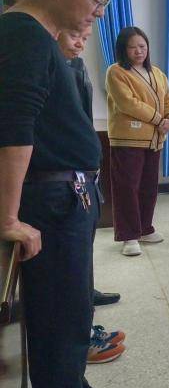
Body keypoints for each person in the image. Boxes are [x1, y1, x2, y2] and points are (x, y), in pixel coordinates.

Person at [0, 0, 144, 388]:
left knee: (75, 313)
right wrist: (9, 217)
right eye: (96, 0)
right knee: (60, 324)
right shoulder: (23, 33)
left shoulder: (41, 38)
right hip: (50, 200)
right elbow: (13, 130)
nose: (99, 13)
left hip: (68, 194)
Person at [56, 27, 126, 364]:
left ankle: (86, 318)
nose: (80, 39)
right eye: (74, 33)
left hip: (80, 175)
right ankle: (78, 338)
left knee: (81, 253)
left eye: (84, 34)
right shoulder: (45, 65)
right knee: (65, 264)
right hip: (57, 182)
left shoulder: (74, 66)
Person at [106, 26, 169, 257]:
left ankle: (145, 228)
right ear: (123, 50)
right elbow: (128, 103)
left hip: (154, 139)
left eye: (142, 46)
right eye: (132, 47)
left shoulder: (157, 72)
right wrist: (158, 119)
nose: (138, 51)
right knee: (127, 188)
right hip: (127, 139)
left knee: (148, 187)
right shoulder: (116, 72)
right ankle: (128, 235)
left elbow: (168, 99)